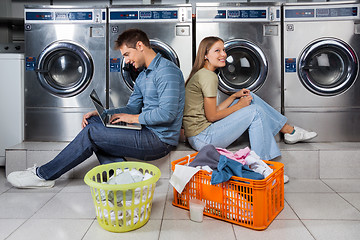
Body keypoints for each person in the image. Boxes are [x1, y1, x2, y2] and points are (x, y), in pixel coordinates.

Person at [7, 29, 185, 188]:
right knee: (94, 121)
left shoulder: (167, 71)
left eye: (127, 54)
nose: (126, 60)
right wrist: (104, 114)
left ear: (140, 46)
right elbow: (132, 107)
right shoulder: (142, 76)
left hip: (159, 140)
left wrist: (132, 119)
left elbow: (167, 114)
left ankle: (43, 175)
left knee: (93, 133)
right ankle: (125, 178)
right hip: (146, 130)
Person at [183, 36, 317, 162]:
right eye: (217, 51)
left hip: (200, 135)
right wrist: (239, 106)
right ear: (205, 55)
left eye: (223, 50)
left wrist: (234, 97)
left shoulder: (204, 73)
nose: (223, 54)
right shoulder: (208, 77)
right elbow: (212, 116)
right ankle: (262, 165)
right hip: (203, 138)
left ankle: (290, 131)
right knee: (255, 111)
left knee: (249, 97)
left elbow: (212, 111)